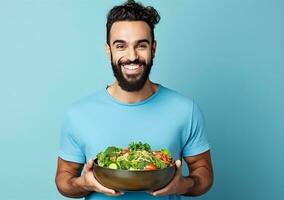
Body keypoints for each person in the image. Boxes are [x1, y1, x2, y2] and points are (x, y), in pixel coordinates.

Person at [55, 0, 213, 199]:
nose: (132, 56)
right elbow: (63, 180)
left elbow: (204, 174)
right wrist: (84, 183)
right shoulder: (78, 114)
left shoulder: (185, 110)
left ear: (153, 49)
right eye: (121, 46)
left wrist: (183, 185)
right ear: (108, 50)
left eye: (141, 45)